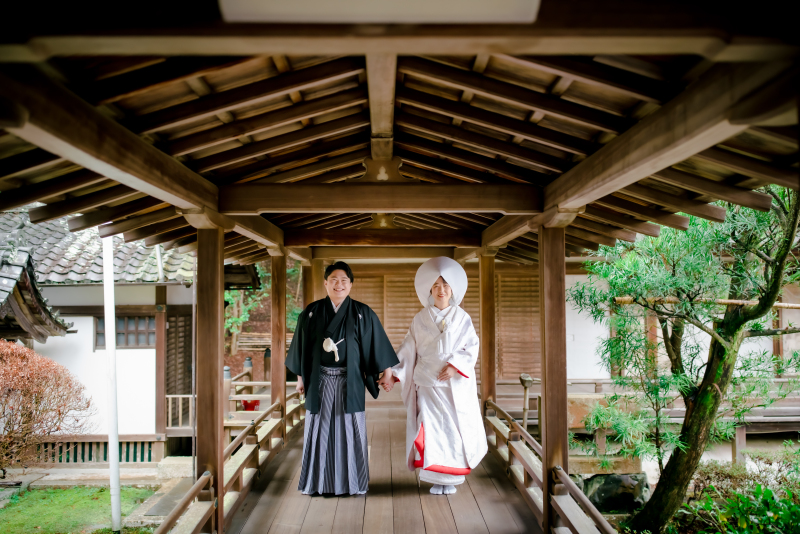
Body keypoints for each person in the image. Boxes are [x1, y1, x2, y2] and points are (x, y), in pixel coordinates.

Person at [286, 261, 399, 495]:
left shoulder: (362, 313)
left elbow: (377, 344)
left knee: (351, 428)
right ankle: (318, 484)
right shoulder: (311, 312)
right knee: (319, 428)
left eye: (344, 281)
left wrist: (387, 373)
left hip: (351, 382)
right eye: (334, 280)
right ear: (325, 283)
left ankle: (353, 483)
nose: (339, 285)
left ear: (350, 285)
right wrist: (300, 379)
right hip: (320, 381)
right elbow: (301, 349)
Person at [382, 257, 487, 495]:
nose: (441, 290)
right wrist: (394, 374)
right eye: (437, 285)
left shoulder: (462, 318)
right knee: (429, 429)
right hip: (427, 384)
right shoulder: (420, 319)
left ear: (453, 289)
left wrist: (454, 365)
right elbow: (408, 349)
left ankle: (450, 479)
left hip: (452, 387)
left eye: (446, 285)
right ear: (430, 289)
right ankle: (435, 478)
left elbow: (471, 346)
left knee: (452, 430)